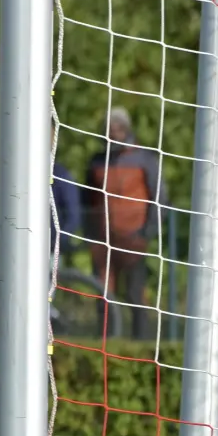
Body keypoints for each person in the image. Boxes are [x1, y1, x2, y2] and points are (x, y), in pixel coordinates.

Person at [84, 107, 162, 338]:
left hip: (134, 238)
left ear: (127, 129)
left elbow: (160, 198)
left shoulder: (144, 159)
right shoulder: (97, 162)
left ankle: (141, 345)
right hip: (103, 240)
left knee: (135, 293)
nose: (113, 133)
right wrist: (90, 235)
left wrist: (147, 232)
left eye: (118, 128)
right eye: (109, 128)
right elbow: (87, 199)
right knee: (103, 294)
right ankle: (105, 344)